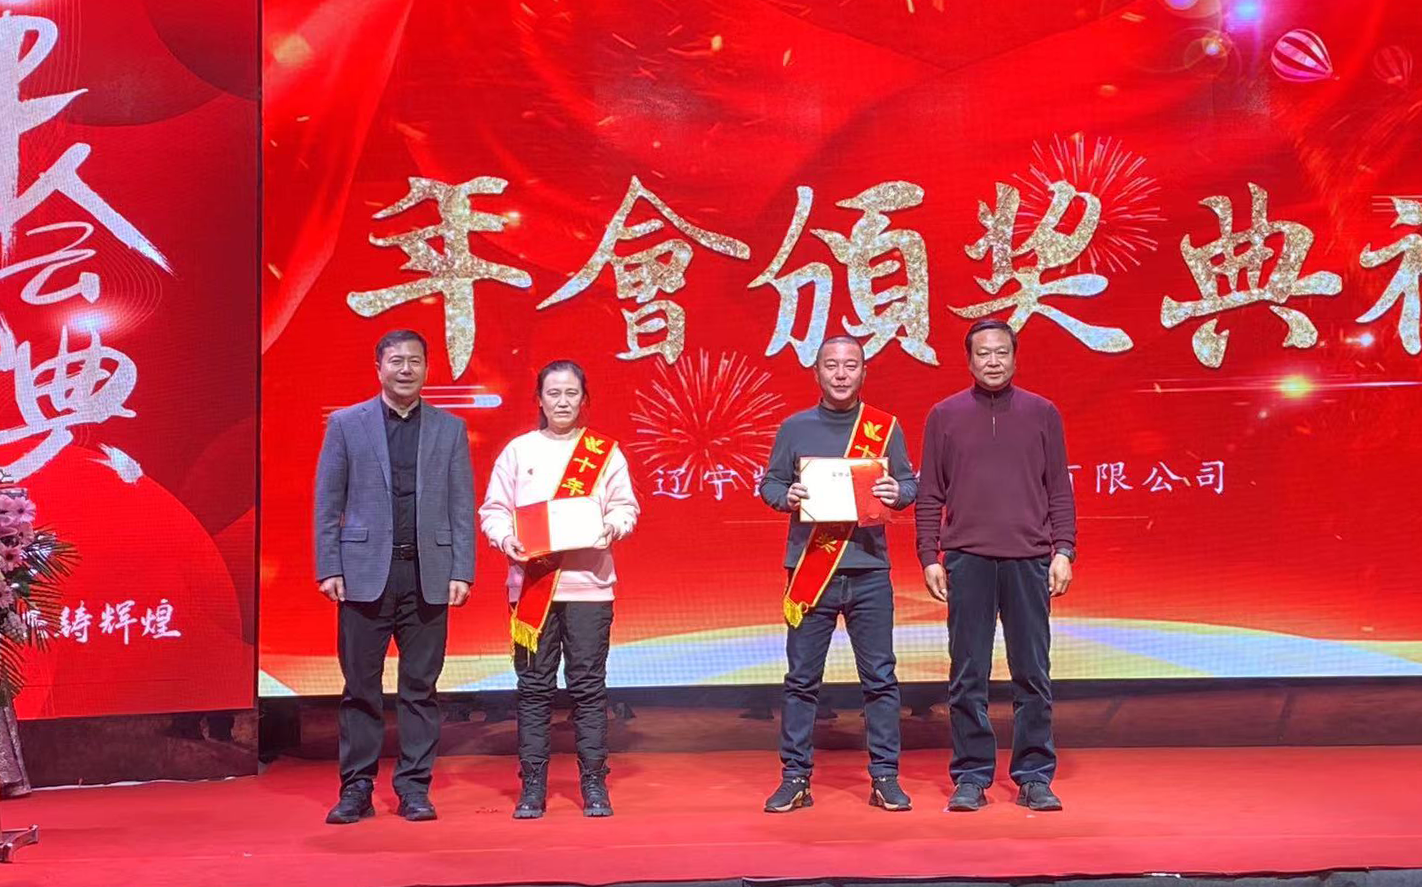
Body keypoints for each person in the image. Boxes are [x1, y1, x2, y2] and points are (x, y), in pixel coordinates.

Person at [915, 319, 1076, 813]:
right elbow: (929, 493)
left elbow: (1059, 489)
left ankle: (1034, 775)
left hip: (1029, 558)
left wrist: (1064, 550)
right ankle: (971, 776)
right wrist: (929, 556)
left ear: (1014, 357)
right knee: (968, 674)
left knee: (1032, 672)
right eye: (983, 353)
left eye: (1001, 352)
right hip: (967, 560)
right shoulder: (944, 415)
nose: (992, 361)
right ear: (969, 360)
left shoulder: (1042, 413)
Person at [314, 329, 475, 824]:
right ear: (379, 368)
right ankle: (356, 789)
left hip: (428, 573)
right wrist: (329, 565)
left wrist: (462, 570)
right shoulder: (347, 424)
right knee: (360, 687)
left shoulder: (450, 429)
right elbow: (328, 502)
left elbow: (461, 505)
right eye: (396, 361)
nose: (406, 369)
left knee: (420, 688)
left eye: (415, 361)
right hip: (364, 575)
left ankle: (414, 788)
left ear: (427, 368)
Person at [758, 336, 917, 813]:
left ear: (864, 372)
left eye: (851, 365)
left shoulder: (884, 427)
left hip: (869, 571)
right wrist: (785, 496)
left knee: (880, 678)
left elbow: (909, 483)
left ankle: (885, 777)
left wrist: (897, 492)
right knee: (801, 680)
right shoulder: (795, 427)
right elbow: (770, 483)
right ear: (817, 372)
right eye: (832, 365)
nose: (841, 374)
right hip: (811, 572)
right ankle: (795, 778)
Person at [478, 360, 639, 819]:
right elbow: (494, 510)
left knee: (588, 688)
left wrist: (611, 527)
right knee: (533, 688)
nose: (562, 401)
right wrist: (505, 538)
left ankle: (594, 784)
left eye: (571, 393)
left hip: (589, 587)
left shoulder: (604, 453)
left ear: (584, 399)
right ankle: (532, 786)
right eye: (553, 393)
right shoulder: (518, 451)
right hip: (532, 588)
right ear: (539, 399)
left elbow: (626, 508)